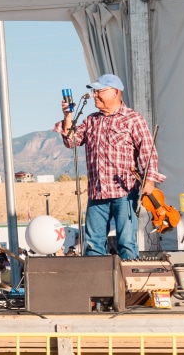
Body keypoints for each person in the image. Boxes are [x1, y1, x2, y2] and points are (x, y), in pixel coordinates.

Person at [55, 73, 164, 260]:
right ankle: (96, 277)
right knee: (92, 243)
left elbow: (148, 151)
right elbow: (71, 141)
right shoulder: (91, 120)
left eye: (99, 91)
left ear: (115, 92)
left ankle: (128, 277)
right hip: (97, 192)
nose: (95, 95)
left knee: (126, 242)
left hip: (124, 192)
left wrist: (150, 181)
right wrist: (68, 116)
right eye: (94, 91)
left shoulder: (133, 119)